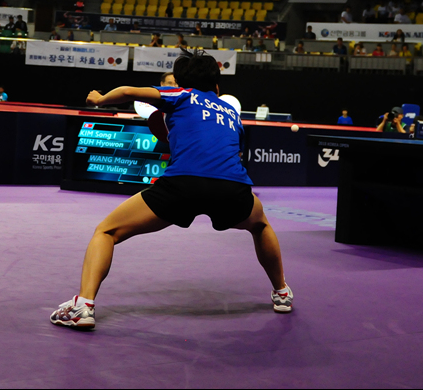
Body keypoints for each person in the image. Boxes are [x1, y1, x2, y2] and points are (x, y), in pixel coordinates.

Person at [50, 51, 292, 329]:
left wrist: (100, 100)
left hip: (183, 184)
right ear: (217, 85)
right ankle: (282, 293)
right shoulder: (231, 112)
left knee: (106, 231)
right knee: (260, 225)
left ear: (179, 81)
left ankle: (84, 306)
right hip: (233, 187)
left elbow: (129, 91)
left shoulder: (182, 94)